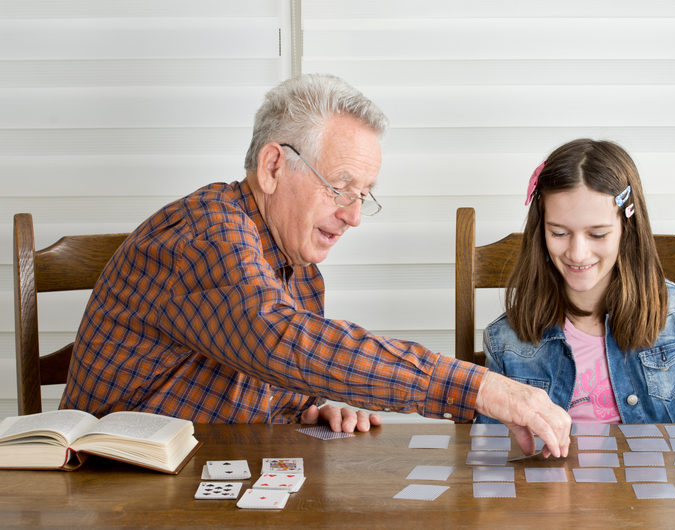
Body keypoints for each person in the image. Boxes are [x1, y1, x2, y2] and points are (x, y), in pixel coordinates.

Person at [60, 74, 570, 457]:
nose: (352, 216)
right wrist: (479, 386)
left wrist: (310, 407)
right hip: (109, 487)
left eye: (363, 195)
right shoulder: (205, 233)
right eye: (340, 186)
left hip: (211, 474)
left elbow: (282, 368)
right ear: (273, 166)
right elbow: (276, 340)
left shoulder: (298, 264)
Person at [477, 138, 675, 425]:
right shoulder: (507, 339)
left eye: (598, 234)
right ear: (541, 232)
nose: (578, 252)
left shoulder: (672, 312)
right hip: (553, 493)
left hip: (656, 490)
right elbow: (491, 452)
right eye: (559, 233)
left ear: (625, 230)